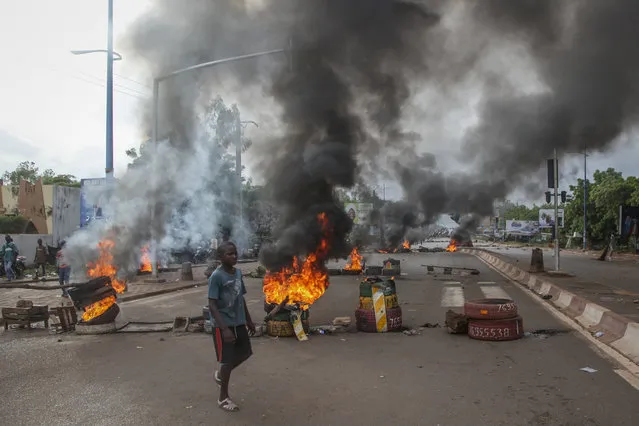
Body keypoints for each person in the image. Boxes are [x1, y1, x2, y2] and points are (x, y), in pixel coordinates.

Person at [208, 241, 255, 412]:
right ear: (220, 258)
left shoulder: (238, 273)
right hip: (223, 326)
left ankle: (221, 374)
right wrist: (224, 329)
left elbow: (240, 298)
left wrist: (248, 320)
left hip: (239, 322)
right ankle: (223, 398)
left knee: (246, 352)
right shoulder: (216, 277)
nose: (234, 256)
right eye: (229, 254)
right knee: (226, 360)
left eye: (235, 253)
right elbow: (212, 305)